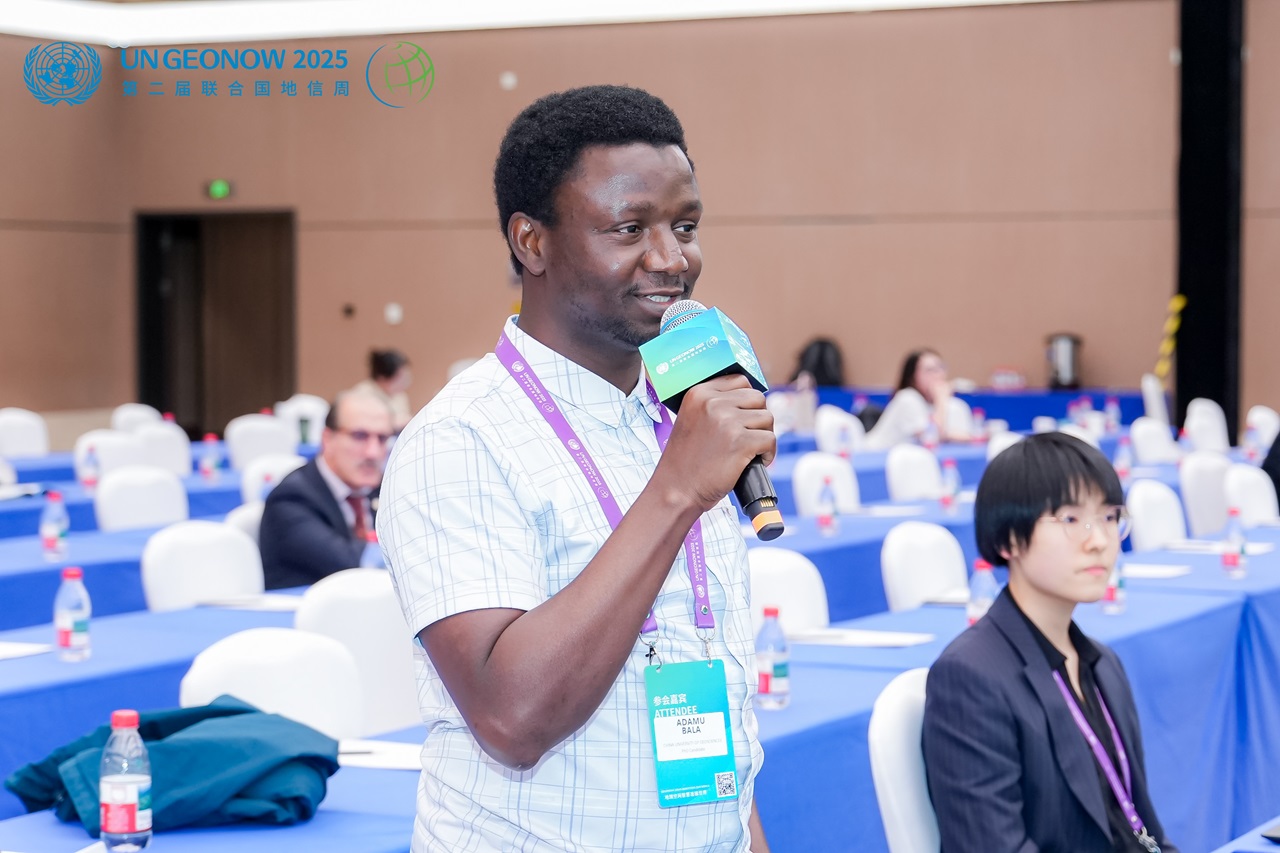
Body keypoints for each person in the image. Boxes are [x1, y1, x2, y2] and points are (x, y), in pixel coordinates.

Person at [378, 85, 771, 852]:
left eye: (685, 226)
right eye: (629, 228)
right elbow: (512, 719)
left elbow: (708, 687)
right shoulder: (460, 438)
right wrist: (677, 490)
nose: (673, 259)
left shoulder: (683, 412)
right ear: (531, 241)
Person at [922, 432, 1179, 853]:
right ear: (1009, 539)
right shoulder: (970, 677)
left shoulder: (1104, 663)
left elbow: (1144, 832)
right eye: (1070, 520)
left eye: (1110, 517)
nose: (1099, 541)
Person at [258, 390, 394, 590]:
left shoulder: (382, 490)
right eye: (359, 436)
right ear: (327, 439)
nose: (373, 452)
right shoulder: (291, 498)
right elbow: (353, 565)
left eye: (382, 439)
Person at [862, 348, 968, 449]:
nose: (937, 375)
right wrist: (941, 398)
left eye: (941, 368)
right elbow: (931, 437)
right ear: (912, 377)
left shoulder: (948, 405)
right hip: (873, 456)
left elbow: (965, 436)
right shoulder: (908, 398)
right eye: (929, 370)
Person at [354, 348, 413, 431]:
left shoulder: (400, 396)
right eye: (400, 377)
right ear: (382, 377)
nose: (406, 382)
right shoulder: (361, 395)